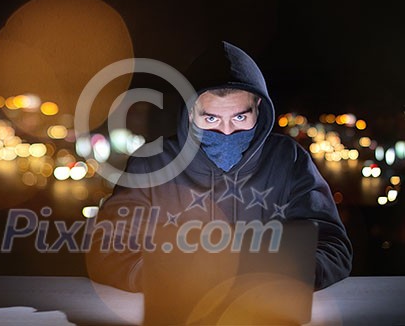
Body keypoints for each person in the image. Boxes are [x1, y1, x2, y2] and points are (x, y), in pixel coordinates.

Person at [85, 41, 353, 292]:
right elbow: (107, 250)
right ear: (190, 112)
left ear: (258, 107)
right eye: (211, 118)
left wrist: (286, 277)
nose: (226, 132)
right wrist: (170, 280)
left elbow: (333, 247)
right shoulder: (151, 165)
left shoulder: (288, 160)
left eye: (239, 117)